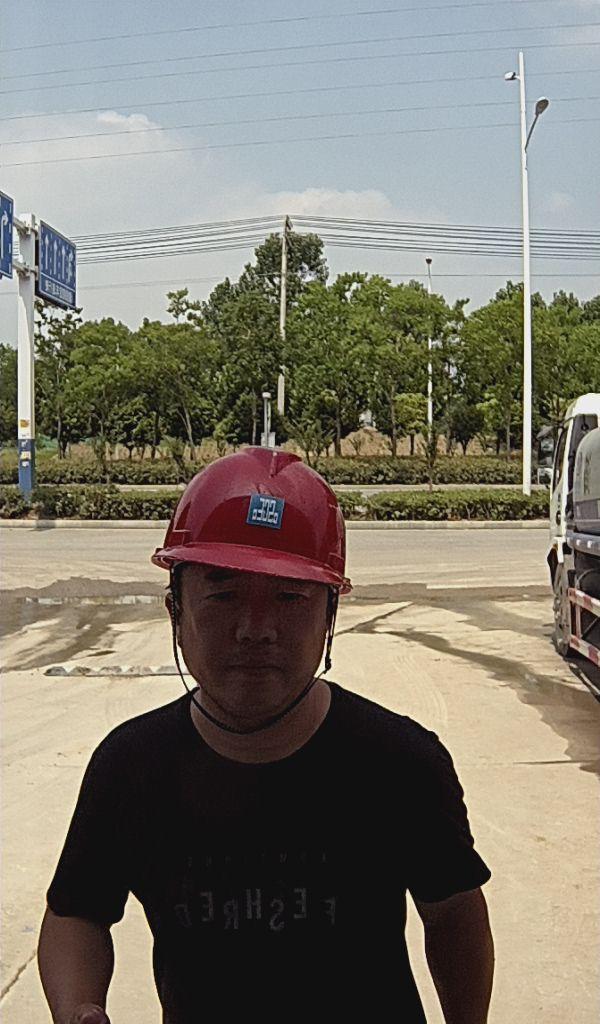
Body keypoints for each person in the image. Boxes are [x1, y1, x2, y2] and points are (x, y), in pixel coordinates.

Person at [38, 447, 494, 1024]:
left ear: (330, 615)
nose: (255, 630)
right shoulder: (130, 767)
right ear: (175, 609)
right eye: (223, 595)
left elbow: (454, 914)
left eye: (289, 597)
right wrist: (78, 1006)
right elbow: (76, 913)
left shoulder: (399, 762)